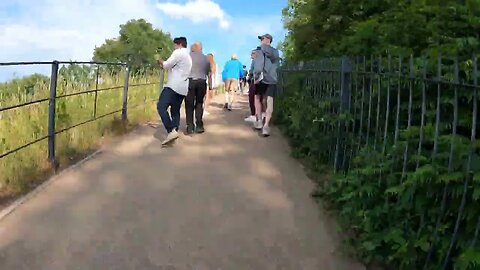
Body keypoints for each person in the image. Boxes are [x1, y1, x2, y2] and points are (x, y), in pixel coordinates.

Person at [156, 37, 192, 145]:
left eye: (174, 45)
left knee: (161, 106)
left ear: (179, 44)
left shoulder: (178, 53)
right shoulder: (188, 57)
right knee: (175, 111)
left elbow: (167, 65)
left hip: (173, 85)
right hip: (182, 88)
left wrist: (161, 61)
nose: (173, 47)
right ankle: (174, 133)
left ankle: (171, 130)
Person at [252, 33, 279, 137]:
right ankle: (266, 125)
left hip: (261, 79)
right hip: (272, 79)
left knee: (257, 98)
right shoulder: (275, 52)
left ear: (267, 40)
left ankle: (259, 121)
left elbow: (257, 66)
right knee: (269, 101)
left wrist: (255, 76)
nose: (261, 41)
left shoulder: (258, 51)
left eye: (262, 39)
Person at [185, 42, 212, 134]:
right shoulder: (206, 59)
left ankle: (190, 126)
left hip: (190, 81)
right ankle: (199, 125)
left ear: (193, 48)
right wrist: (210, 85)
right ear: (200, 48)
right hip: (202, 82)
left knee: (189, 104)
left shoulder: (187, 57)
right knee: (199, 103)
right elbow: (209, 73)